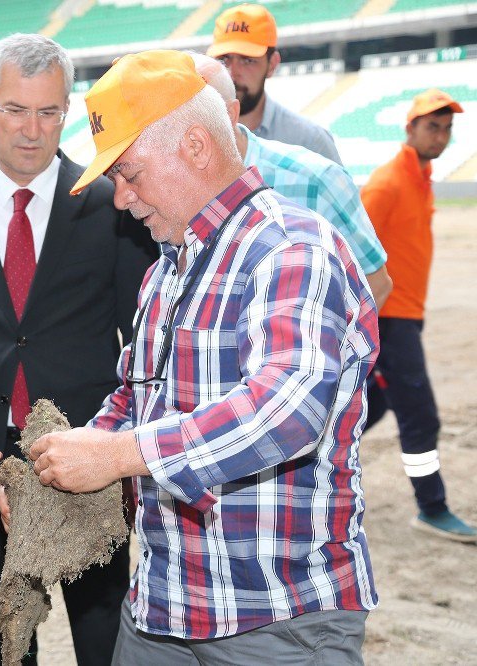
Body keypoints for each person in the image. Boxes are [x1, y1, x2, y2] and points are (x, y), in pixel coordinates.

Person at [0, 50, 379, 664]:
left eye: (129, 174)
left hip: (276, 620)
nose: (120, 200)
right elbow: (136, 396)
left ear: (197, 147)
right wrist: (58, 469)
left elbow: (286, 412)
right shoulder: (166, 270)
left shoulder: (291, 248)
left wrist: (117, 456)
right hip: (160, 612)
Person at [0, 34, 156, 666]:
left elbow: (140, 342)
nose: (31, 130)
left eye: (49, 112)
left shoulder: (109, 205)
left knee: (103, 637)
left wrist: (125, 454)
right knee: (1, 641)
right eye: (14, 109)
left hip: (87, 458)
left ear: (68, 111)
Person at [360, 89, 476, 543]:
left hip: (407, 315)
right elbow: (354, 249)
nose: (440, 136)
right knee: (421, 416)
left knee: (376, 403)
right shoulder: (388, 183)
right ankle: (432, 506)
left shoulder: (421, 181)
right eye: (432, 127)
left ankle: (313, 453)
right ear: (410, 129)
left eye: (446, 129)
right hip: (388, 318)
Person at [190, 52, 392, 308]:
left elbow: (374, 285)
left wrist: (315, 344)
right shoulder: (168, 189)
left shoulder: (317, 179)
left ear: (229, 114)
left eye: (194, 121)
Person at [206, 3, 342, 164]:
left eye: (248, 60)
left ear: (272, 64)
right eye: (224, 59)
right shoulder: (197, 138)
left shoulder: (310, 142)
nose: (232, 72)